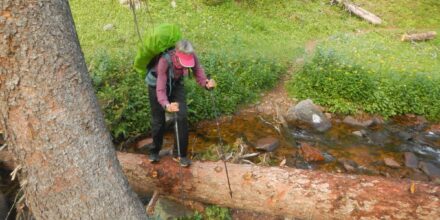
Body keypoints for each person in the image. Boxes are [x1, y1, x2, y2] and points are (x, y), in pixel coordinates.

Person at [146, 40, 216, 167]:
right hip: (156, 84)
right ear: (176, 54)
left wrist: (206, 83)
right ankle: (154, 151)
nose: (185, 66)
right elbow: (160, 89)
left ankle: (180, 154)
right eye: (183, 62)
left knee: (182, 116)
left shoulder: (191, 55)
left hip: (176, 83)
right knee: (158, 120)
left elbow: (198, 71)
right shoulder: (164, 61)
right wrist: (167, 105)